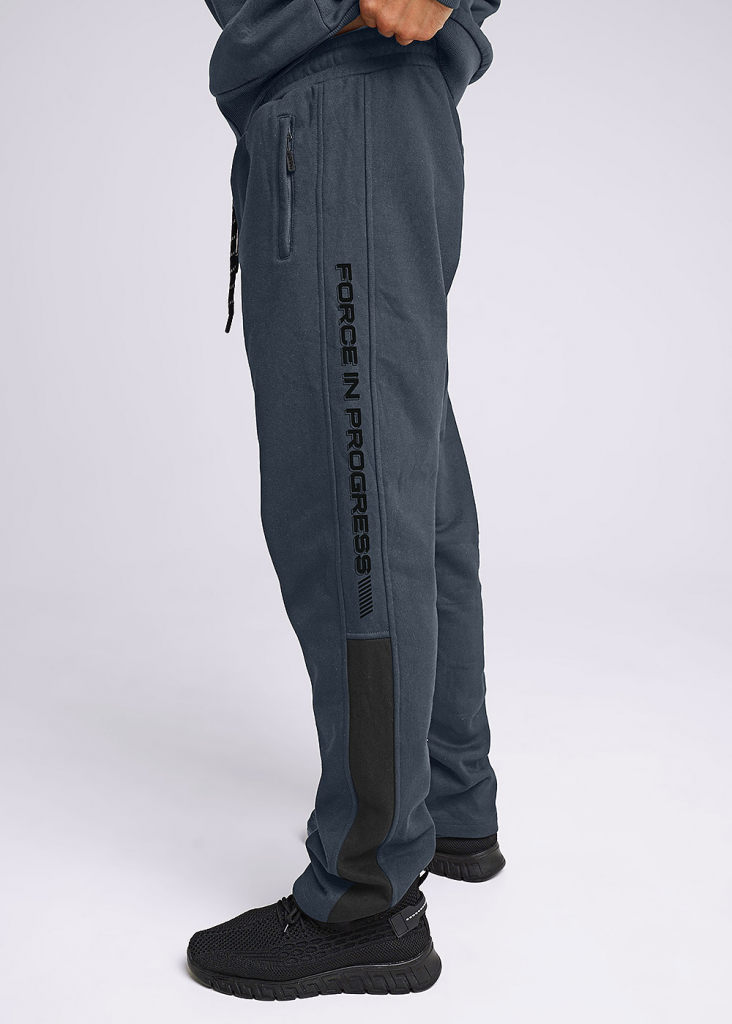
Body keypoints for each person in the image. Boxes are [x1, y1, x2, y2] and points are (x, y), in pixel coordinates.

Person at [188, 0, 504, 1000]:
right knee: (405, 475)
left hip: (341, 101)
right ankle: (449, 799)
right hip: (371, 105)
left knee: (350, 499)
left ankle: (368, 895)